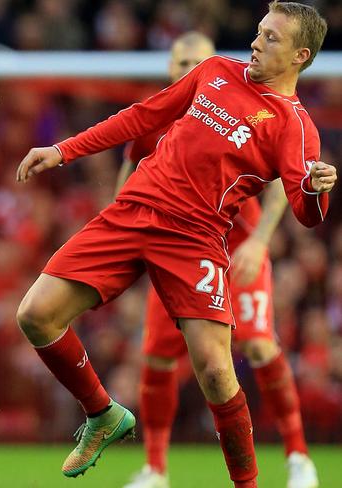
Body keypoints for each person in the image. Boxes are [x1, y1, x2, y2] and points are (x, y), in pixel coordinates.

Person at [15, 2, 335, 487]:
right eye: (258, 31)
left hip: (194, 237)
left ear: (299, 55)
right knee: (35, 315)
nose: (255, 42)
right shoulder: (214, 71)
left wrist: (315, 189)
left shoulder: (294, 126)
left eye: (270, 38)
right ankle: (102, 414)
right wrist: (63, 150)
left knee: (215, 371)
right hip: (133, 212)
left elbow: (306, 214)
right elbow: (143, 117)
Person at [116, 32, 318, 488]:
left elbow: (282, 186)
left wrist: (260, 241)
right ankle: (155, 469)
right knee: (157, 358)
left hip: (235, 255)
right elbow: (124, 184)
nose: (189, 68)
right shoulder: (157, 118)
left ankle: (299, 457)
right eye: (180, 61)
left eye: (197, 61)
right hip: (174, 257)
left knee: (260, 346)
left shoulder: (238, 107)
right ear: (170, 68)